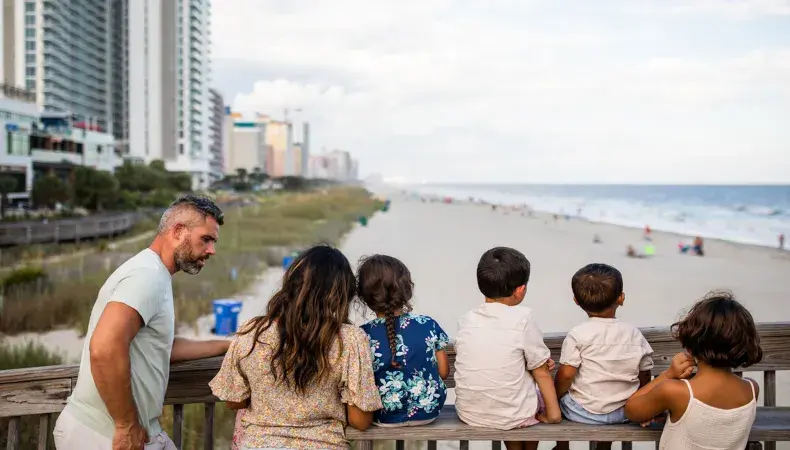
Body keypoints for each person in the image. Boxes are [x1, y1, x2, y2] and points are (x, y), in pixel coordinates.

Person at [54, 195, 233, 450]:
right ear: (178, 231)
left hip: (133, 431)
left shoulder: (155, 273)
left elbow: (162, 347)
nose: (212, 250)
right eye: (206, 239)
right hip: (102, 435)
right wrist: (125, 424)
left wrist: (227, 345)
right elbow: (104, 348)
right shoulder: (146, 276)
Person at [210, 245, 382, 450]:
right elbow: (360, 420)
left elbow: (233, 401)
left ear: (290, 284)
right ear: (340, 295)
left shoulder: (252, 332)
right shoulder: (349, 339)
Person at [625, 290, 763, 450]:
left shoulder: (674, 391)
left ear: (692, 341)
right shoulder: (752, 389)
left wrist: (669, 375)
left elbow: (631, 409)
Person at [454, 247, 561, 450]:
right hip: (509, 413)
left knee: (510, 391)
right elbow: (542, 372)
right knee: (531, 395)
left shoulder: (466, 319)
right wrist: (553, 415)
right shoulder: (523, 318)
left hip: (470, 412)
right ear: (520, 290)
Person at [553, 264, 654, 450]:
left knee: (556, 400)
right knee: (613, 398)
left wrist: (554, 397)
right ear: (621, 298)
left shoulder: (578, 334)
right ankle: (604, 446)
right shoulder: (633, 333)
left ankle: (562, 446)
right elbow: (645, 374)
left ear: (576, 300)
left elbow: (567, 375)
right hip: (624, 412)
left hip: (582, 412)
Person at [357, 255, 451, 427]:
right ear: (407, 290)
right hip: (429, 412)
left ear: (365, 298)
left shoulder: (362, 335)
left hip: (383, 417)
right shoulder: (428, 324)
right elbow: (443, 372)